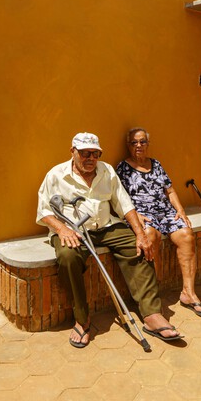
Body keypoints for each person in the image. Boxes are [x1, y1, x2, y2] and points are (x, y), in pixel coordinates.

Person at [37, 132, 182, 348]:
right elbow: (43, 211)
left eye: (95, 154)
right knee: (68, 256)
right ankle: (82, 317)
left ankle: (151, 314)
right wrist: (61, 229)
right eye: (85, 153)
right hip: (73, 230)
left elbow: (124, 204)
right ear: (73, 152)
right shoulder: (56, 175)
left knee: (140, 247)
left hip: (106, 226)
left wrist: (140, 234)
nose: (90, 158)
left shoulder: (106, 171)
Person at [116, 127, 201, 319]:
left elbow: (170, 190)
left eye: (142, 141)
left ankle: (188, 293)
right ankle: (152, 297)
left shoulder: (156, 164)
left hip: (166, 213)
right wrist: (134, 215)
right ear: (128, 145)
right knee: (151, 237)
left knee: (186, 235)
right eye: (134, 142)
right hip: (143, 215)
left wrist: (180, 210)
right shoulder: (122, 168)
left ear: (148, 144)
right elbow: (117, 196)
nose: (139, 145)